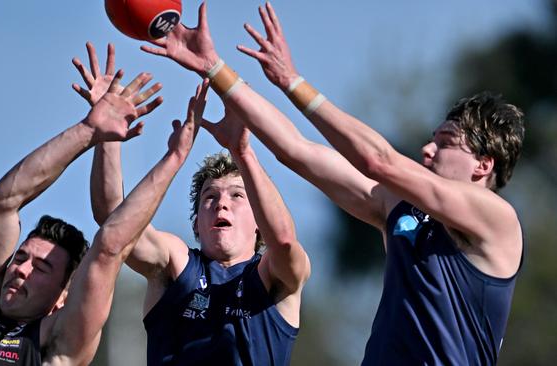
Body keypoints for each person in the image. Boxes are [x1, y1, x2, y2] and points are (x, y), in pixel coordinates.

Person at [141, 2, 525, 365]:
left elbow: (378, 160)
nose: (427, 149)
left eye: (444, 143)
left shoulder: (497, 222)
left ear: (483, 164)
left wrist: (293, 83)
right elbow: (295, 150)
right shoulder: (399, 208)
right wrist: (214, 67)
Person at [73, 42, 310, 365]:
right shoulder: (177, 264)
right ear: (196, 222)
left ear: (259, 223)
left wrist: (243, 152)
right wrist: (108, 137)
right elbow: (114, 223)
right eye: (209, 197)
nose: (221, 205)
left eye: (237, 196)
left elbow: (283, 241)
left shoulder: (273, 276)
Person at [0, 47, 167, 365]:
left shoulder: (56, 344)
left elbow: (111, 244)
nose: (21, 270)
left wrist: (115, 143)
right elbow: (3, 200)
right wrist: (89, 130)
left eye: (40, 269)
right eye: (22, 258)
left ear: (62, 297)